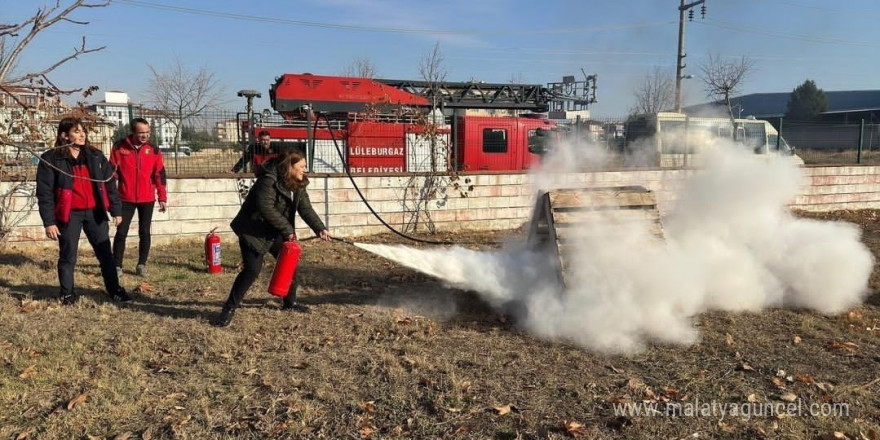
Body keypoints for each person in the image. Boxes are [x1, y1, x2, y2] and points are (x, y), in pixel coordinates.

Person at [212, 149, 331, 327]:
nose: (305, 170)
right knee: (252, 271)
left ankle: (290, 303)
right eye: (302, 166)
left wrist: (319, 228)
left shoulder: (298, 184)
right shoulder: (268, 180)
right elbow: (266, 208)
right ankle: (228, 308)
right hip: (253, 230)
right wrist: (287, 229)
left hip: (275, 231)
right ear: (289, 167)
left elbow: (305, 208)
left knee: (290, 264)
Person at [36, 117, 132, 305]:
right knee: (68, 255)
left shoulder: (95, 156)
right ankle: (67, 294)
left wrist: (116, 210)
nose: (82, 135)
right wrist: (49, 222)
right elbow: (44, 193)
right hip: (69, 215)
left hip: (95, 212)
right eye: (77, 131)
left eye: (83, 131)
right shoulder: (51, 159)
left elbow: (109, 184)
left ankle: (115, 290)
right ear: (64, 135)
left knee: (105, 254)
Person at [110, 118, 167, 277]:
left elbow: (160, 175)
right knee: (121, 232)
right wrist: (109, 197)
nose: (145, 136)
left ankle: (141, 264)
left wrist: (162, 198)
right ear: (133, 132)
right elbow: (111, 173)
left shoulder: (154, 150)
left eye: (147, 132)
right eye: (141, 133)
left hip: (147, 198)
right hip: (125, 198)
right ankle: (117, 265)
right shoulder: (119, 147)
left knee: (144, 232)